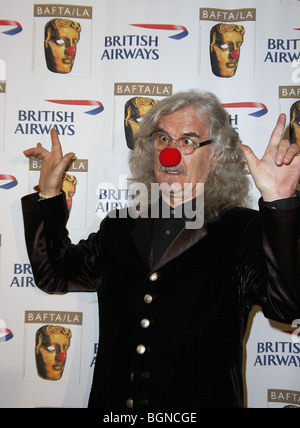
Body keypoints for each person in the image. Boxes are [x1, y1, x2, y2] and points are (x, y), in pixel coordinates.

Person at [21, 90, 300, 408]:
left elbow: (288, 308)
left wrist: (279, 206)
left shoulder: (242, 229)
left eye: (188, 142)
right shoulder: (120, 226)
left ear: (217, 154)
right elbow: (54, 274)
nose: (170, 153)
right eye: (162, 138)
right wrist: (49, 193)